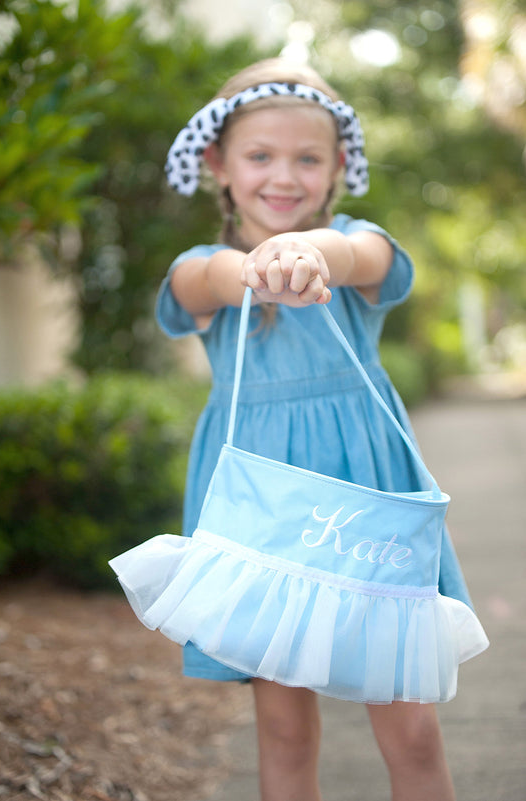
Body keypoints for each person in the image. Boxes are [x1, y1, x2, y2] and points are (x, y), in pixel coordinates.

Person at [112, 58, 488, 801]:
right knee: (283, 728)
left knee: (409, 727)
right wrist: (257, 267)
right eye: (260, 155)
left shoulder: (358, 245)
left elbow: (359, 257)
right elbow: (210, 280)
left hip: (365, 505)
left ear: (337, 167)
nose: (282, 176)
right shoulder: (203, 266)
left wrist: (309, 252)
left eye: (306, 158)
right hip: (265, 516)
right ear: (217, 164)